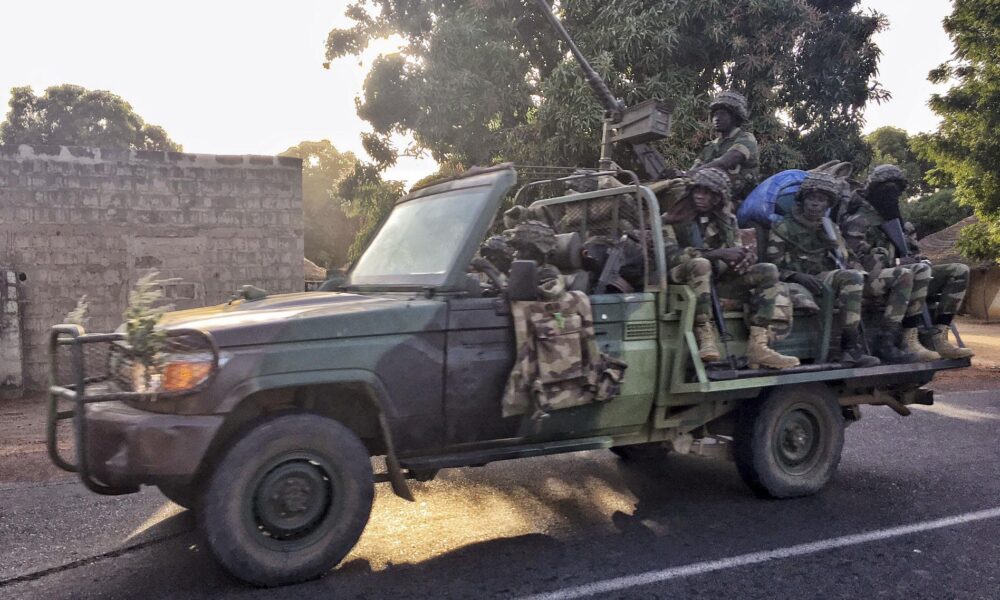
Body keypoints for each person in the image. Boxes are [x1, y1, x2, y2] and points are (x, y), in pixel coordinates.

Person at [663, 168, 799, 370]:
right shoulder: (673, 218)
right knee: (701, 264)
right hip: (682, 279)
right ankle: (705, 335)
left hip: (719, 281)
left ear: (718, 198)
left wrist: (743, 259)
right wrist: (718, 254)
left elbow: (733, 251)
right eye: (697, 191)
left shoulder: (728, 221)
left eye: (707, 192)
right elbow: (671, 256)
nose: (700, 196)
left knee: (768, 270)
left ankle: (758, 345)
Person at [843, 165, 973, 360]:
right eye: (886, 189)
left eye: (896, 190)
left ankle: (938, 336)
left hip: (908, 278)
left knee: (959, 270)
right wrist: (897, 261)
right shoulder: (858, 220)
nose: (891, 195)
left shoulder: (899, 223)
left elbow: (914, 252)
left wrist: (918, 259)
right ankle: (901, 339)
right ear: (873, 190)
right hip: (871, 280)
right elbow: (855, 259)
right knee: (915, 271)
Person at [766, 171, 880, 367]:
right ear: (802, 200)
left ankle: (850, 348)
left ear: (828, 204)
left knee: (853, 278)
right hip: (793, 281)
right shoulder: (783, 227)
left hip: (823, 276)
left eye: (821, 200)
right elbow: (772, 267)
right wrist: (797, 276)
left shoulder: (830, 228)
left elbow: (847, 259)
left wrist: (834, 244)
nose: (815, 203)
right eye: (811, 198)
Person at [690, 90, 761, 207]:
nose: (716, 118)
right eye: (715, 114)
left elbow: (725, 162)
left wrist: (691, 173)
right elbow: (694, 169)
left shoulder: (746, 138)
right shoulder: (710, 146)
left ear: (735, 117)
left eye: (722, 114)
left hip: (739, 201)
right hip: (709, 198)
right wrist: (680, 175)